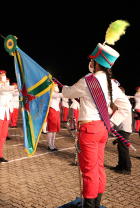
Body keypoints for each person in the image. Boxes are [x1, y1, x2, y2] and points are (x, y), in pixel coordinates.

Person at [62, 42, 131, 208]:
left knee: (89, 170)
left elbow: (67, 92)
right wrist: (112, 122)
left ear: (96, 63)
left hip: (89, 130)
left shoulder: (88, 81)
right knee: (98, 166)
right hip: (102, 129)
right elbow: (126, 107)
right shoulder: (112, 84)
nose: (90, 63)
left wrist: (63, 86)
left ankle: (89, 205)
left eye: (91, 60)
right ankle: (96, 202)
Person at [0, 70, 15, 163]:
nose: (5, 77)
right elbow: (3, 89)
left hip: (6, 113)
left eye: (5, 75)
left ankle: (0, 154)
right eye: (3, 75)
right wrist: (13, 87)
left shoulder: (7, 88)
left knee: (3, 136)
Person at [111, 86, 132, 175]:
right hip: (121, 128)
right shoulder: (121, 101)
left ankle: (127, 168)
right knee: (120, 148)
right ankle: (121, 165)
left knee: (123, 149)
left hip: (124, 128)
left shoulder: (122, 102)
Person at [47, 86, 62, 151]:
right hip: (52, 110)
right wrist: (67, 92)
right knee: (51, 129)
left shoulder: (56, 93)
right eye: (55, 86)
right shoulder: (51, 92)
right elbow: (60, 95)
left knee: (55, 129)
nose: (57, 87)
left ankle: (53, 144)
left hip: (56, 111)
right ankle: (50, 145)